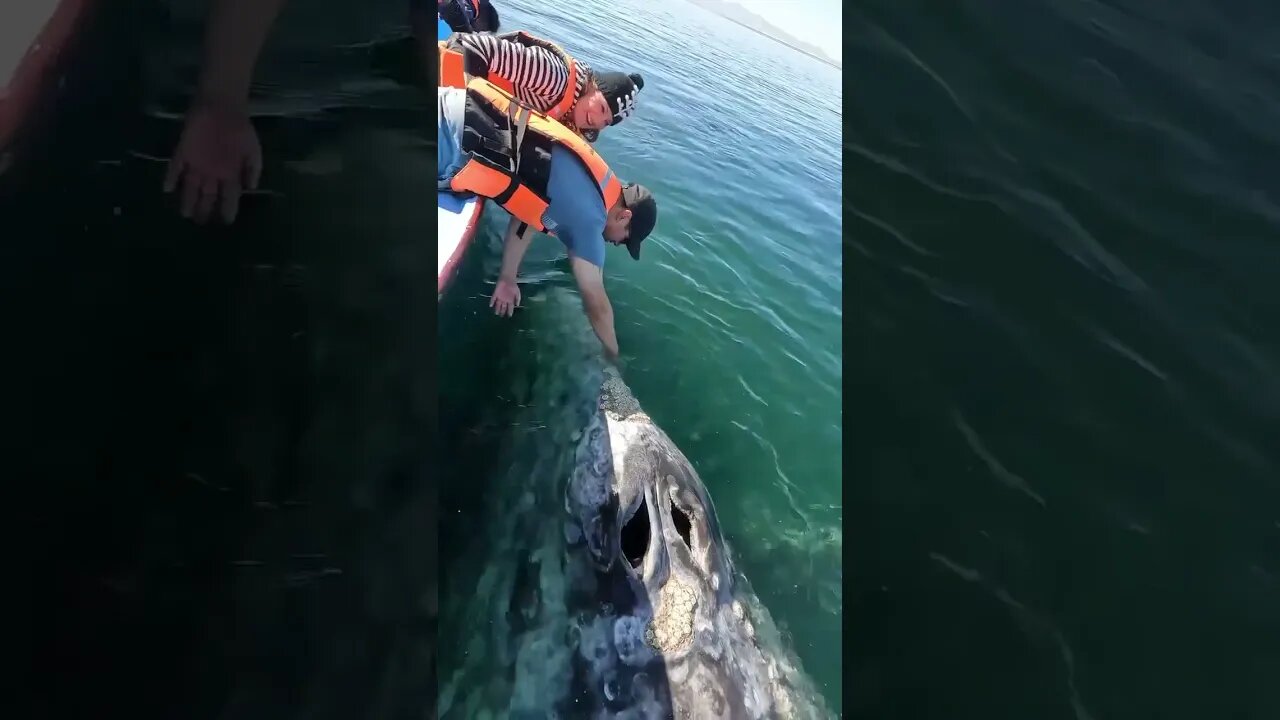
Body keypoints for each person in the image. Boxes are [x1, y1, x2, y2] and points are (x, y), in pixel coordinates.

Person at [438, 80, 658, 361]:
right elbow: (596, 301)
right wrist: (612, 355)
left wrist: (507, 277)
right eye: (624, 239)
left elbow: (528, 211)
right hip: (449, 145)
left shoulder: (596, 181)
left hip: (454, 103)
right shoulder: (590, 221)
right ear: (624, 215)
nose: (615, 243)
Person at [438, 31, 643, 142]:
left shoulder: (571, 116)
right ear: (594, 87)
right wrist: (457, 106)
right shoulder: (554, 78)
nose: (596, 120)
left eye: (605, 122)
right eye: (602, 108)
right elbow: (470, 46)